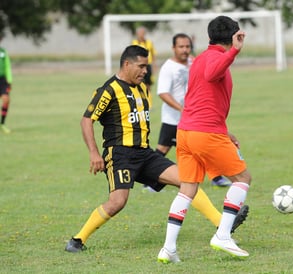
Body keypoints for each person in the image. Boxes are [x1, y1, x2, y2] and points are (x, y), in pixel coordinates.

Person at [64, 45, 248, 253]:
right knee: (117, 202)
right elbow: (86, 120)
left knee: (187, 181)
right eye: (141, 66)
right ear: (126, 64)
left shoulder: (142, 88)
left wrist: (222, 130)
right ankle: (77, 240)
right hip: (120, 155)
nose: (145, 71)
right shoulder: (109, 90)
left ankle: (222, 223)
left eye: (147, 67)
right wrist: (94, 153)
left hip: (145, 153)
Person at [157, 16, 251, 263]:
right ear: (233, 37)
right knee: (242, 179)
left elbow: (203, 98)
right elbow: (213, 75)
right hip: (204, 133)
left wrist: (224, 129)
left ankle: (168, 248)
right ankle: (222, 235)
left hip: (186, 132)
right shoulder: (217, 59)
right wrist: (234, 53)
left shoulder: (198, 59)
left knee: (187, 189)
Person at [155, 33, 231, 187]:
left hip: (193, 119)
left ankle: (216, 178)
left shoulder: (193, 62)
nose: (185, 50)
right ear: (173, 48)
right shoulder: (168, 67)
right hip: (173, 118)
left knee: (201, 146)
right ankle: (149, 181)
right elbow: (163, 93)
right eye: (181, 47)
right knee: (162, 149)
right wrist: (182, 109)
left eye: (187, 46)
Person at [132, 26, 156, 108]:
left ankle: (149, 103)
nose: (141, 35)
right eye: (139, 33)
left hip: (148, 66)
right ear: (137, 34)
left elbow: (153, 55)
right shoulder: (134, 42)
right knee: (138, 84)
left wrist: (154, 65)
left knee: (148, 85)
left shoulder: (149, 43)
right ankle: (139, 103)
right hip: (138, 66)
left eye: (142, 33)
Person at [0, 38, 12, 134]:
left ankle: (2, 123)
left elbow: (7, 66)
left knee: (6, 99)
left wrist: (9, 80)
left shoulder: (3, 52)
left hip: (2, 80)